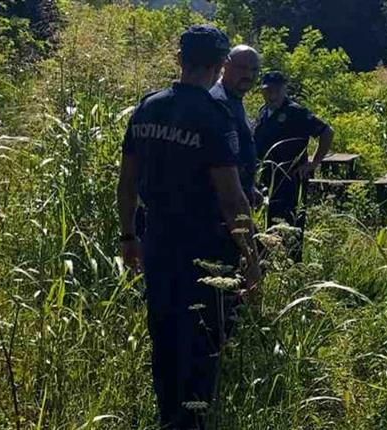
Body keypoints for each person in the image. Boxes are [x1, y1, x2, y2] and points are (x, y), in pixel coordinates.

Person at [116, 25, 261, 429]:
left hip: (157, 241)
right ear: (220, 65)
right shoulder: (214, 116)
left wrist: (128, 236)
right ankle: (191, 420)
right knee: (202, 339)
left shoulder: (148, 107)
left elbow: (126, 182)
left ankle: (168, 416)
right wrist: (251, 259)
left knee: (164, 333)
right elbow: (232, 199)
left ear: (179, 59)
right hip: (205, 246)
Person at [254, 70, 334, 228]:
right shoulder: (263, 112)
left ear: (284, 89)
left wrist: (313, 163)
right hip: (266, 180)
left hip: (290, 181)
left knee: (290, 227)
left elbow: (327, 132)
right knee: (268, 228)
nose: (272, 95)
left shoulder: (296, 112)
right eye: (268, 90)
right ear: (262, 91)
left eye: (277, 90)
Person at [210, 44, 262, 206]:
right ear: (225, 65)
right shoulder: (218, 102)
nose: (249, 75)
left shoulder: (234, 100)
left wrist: (249, 187)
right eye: (242, 68)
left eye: (254, 70)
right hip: (221, 204)